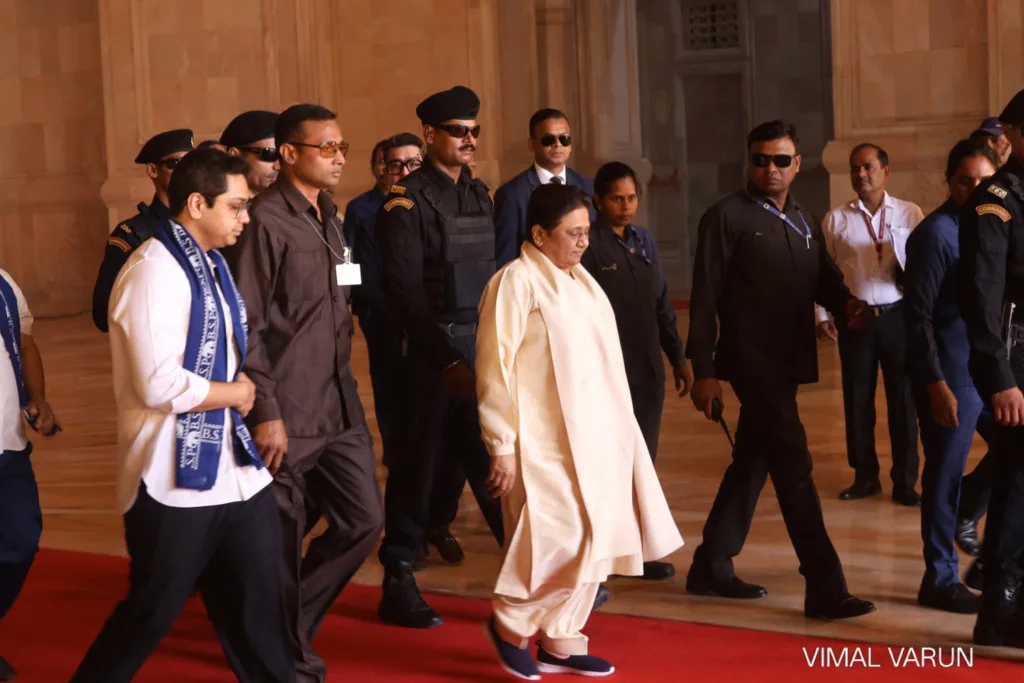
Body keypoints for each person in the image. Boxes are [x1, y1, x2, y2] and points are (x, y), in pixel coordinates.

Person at [70, 148, 293, 683]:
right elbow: (158, 384)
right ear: (197, 203)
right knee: (151, 611)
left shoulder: (212, 263)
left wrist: (242, 394)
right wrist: (238, 397)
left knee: (262, 610)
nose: (245, 217)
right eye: (237, 206)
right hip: (171, 478)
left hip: (235, 475)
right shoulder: (151, 271)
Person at [477, 183, 683, 680]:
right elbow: (493, 368)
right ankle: (509, 624)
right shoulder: (515, 281)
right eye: (573, 234)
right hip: (541, 442)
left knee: (597, 536)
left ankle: (561, 640)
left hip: (597, 438)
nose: (583, 242)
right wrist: (501, 445)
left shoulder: (581, 280)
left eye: (586, 232)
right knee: (559, 536)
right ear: (539, 234)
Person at [685, 119, 875, 619]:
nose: (770, 168)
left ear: (798, 164)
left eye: (780, 160)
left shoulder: (803, 219)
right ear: (749, 163)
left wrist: (847, 306)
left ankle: (711, 563)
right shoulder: (724, 217)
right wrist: (702, 369)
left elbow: (823, 283)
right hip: (751, 363)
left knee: (753, 460)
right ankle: (825, 586)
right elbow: (703, 298)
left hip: (790, 361)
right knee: (795, 468)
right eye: (760, 159)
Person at [227, 104, 384, 682]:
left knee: (363, 520)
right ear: (290, 154)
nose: (339, 158)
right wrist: (264, 410)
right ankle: (285, 657)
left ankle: (282, 628)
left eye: (342, 147)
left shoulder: (330, 214)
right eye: (327, 148)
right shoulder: (266, 221)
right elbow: (246, 324)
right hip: (287, 411)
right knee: (282, 538)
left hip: (339, 404)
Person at [375, 85, 504, 629]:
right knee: (416, 469)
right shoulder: (404, 203)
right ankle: (397, 579)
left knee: (495, 466)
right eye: (458, 131)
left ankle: (541, 575)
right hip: (430, 360)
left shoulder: (479, 196)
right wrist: (445, 361)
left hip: (477, 348)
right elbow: (406, 295)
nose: (469, 139)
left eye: (474, 130)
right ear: (430, 135)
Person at [344, 134, 467, 569]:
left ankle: (439, 523)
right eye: (394, 165)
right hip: (386, 332)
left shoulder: (430, 202)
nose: (403, 172)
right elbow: (351, 269)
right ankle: (407, 536)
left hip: (430, 333)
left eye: (412, 164)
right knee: (403, 434)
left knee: (451, 440)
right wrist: (366, 308)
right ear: (379, 169)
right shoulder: (360, 211)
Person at [579, 161, 692, 581]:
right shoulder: (587, 246)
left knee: (643, 461)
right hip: (607, 374)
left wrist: (677, 357)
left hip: (647, 370)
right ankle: (604, 553)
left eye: (630, 199)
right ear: (598, 201)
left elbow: (661, 302)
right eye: (615, 199)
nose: (625, 207)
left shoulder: (644, 241)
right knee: (608, 463)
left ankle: (639, 551)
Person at [903, 138, 1001, 613]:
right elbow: (916, 316)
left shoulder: (987, 226)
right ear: (949, 180)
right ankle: (939, 579)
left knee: (1014, 452)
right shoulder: (935, 234)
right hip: (949, 373)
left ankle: (990, 557)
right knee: (943, 474)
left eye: (985, 180)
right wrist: (936, 383)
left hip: (986, 370)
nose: (976, 187)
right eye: (966, 180)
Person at [817, 143, 924, 504]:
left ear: (885, 172)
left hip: (899, 318)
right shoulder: (835, 219)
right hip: (856, 318)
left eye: (867, 167)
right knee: (857, 400)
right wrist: (821, 314)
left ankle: (906, 482)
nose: (860, 175)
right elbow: (824, 273)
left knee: (904, 402)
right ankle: (865, 477)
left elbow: (923, 268)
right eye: (854, 169)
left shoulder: (910, 214)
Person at [958, 88, 1024, 648]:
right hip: (1016, 358)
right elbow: (982, 297)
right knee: (1017, 479)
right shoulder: (996, 201)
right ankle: (999, 603)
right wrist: (1000, 377)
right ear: (1015, 136)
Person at [0, 268, 58, 682]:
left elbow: (24, 342)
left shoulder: (2, 282)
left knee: (20, 540)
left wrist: (37, 396)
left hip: (8, 444)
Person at [91, 129, 194, 333]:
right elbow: (103, 313)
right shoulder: (132, 234)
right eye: (176, 164)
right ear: (153, 171)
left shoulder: (204, 225)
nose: (186, 172)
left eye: (192, 163)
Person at [493, 108, 596, 268]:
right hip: (535, 286)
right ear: (531, 145)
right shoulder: (511, 195)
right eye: (548, 140)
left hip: (580, 285)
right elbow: (506, 261)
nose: (557, 145)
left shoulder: (588, 188)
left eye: (564, 139)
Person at [221, 110, 281, 194]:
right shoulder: (215, 205)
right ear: (234, 155)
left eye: (283, 156)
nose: (278, 166)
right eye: (270, 154)